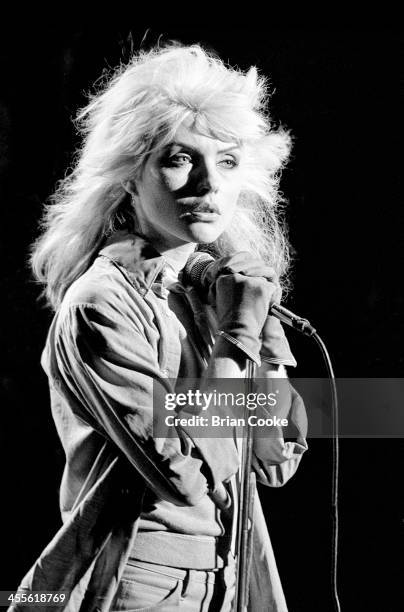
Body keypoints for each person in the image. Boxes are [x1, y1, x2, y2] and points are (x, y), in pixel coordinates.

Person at [10, 43, 308, 611]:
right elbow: (183, 473)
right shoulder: (101, 303)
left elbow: (273, 461)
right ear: (128, 175)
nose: (207, 184)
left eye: (226, 161)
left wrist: (264, 338)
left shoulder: (210, 296)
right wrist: (237, 336)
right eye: (178, 159)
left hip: (225, 579)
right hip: (134, 581)